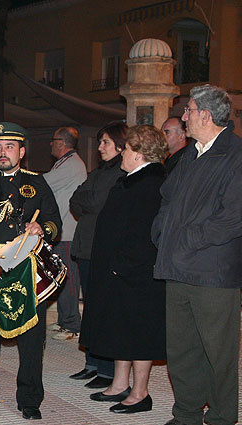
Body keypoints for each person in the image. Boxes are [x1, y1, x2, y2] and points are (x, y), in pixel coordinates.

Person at [152, 84, 242, 425]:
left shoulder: (235, 155)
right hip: (178, 267)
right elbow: (167, 199)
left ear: (205, 115)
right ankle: (187, 413)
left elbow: (233, 218)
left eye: (188, 110)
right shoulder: (191, 154)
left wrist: (186, 240)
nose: (184, 116)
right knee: (182, 349)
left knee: (218, 353)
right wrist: (161, 232)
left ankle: (220, 417)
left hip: (213, 273)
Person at [0, 122, 61, 421]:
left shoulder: (37, 182)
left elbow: (54, 222)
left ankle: (30, 398)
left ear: (21, 151)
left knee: (32, 337)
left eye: (9, 147)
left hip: (25, 267)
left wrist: (41, 228)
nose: (2, 153)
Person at [80, 125, 167, 414]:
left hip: (136, 273)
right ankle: (120, 384)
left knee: (138, 333)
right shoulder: (131, 179)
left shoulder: (151, 183)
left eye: (127, 149)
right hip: (118, 270)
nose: (123, 154)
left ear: (140, 153)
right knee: (121, 329)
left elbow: (144, 233)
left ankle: (141, 393)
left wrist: (122, 265)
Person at [69, 121, 127, 389]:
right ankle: (92, 362)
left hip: (102, 249)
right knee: (91, 308)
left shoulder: (121, 173)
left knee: (103, 308)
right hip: (86, 247)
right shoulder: (99, 172)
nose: (100, 147)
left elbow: (94, 202)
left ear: (120, 144)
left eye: (105, 142)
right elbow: (76, 200)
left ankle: (106, 368)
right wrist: (87, 199)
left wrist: (87, 199)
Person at [43, 127, 86, 340]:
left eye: (53, 140)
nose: (51, 144)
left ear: (62, 142)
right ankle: (64, 321)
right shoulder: (67, 162)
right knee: (61, 276)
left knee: (68, 278)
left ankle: (72, 324)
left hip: (68, 231)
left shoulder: (71, 165)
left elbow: (44, 184)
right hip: (64, 230)